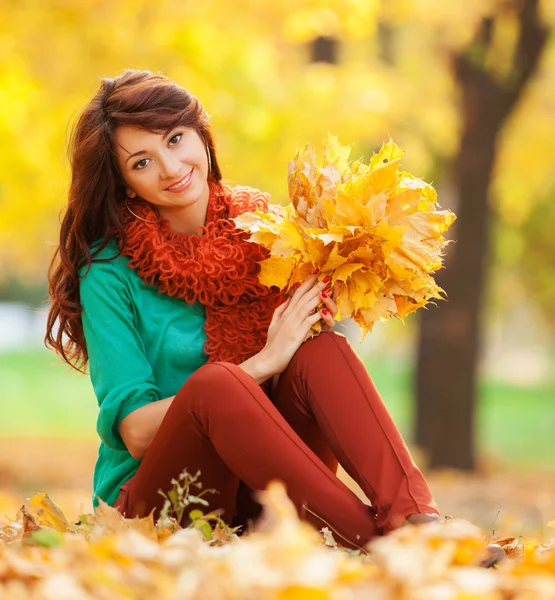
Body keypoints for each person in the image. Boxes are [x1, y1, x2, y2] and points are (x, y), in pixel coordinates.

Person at [45, 70, 440, 550]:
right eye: (143, 162)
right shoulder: (108, 271)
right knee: (217, 384)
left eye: (175, 139)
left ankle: (417, 523)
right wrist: (262, 363)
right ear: (125, 183)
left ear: (201, 136)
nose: (170, 168)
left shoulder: (266, 233)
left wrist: (308, 321)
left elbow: (300, 375)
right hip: (161, 508)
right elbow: (136, 434)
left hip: (261, 493)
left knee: (322, 352)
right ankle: (378, 543)